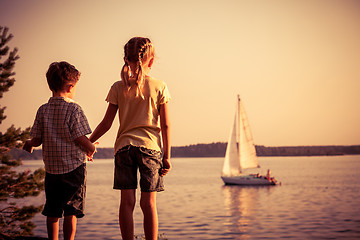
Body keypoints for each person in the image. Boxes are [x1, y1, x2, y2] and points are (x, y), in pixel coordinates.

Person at [89, 37, 171, 240]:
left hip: (124, 149)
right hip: (150, 149)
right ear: (151, 61)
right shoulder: (160, 86)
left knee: (126, 203)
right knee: (149, 204)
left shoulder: (118, 87)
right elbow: (166, 125)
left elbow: (106, 123)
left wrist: (88, 142)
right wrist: (167, 156)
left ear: (126, 59)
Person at [23, 61, 97, 240]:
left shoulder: (43, 110)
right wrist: (91, 148)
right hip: (74, 169)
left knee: (53, 210)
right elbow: (80, 137)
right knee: (71, 210)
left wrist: (29, 143)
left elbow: (38, 139)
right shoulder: (74, 109)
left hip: (52, 170)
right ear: (71, 86)